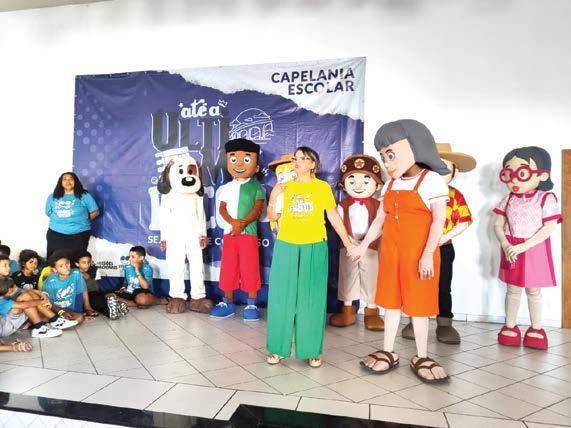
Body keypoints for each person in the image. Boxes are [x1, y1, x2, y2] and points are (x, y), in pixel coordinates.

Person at [349, 119, 450, 383]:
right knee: (391, 302)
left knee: (418, 305)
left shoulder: (432, 181)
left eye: (391, 154)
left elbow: (439, 221)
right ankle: (388, 350)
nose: (387, 162)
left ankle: (422, 355)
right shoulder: (391, 185)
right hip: (391, 254)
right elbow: (379, 221)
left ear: (416, 146)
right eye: (383, 156)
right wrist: (362, 246)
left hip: (419, 255)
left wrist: (427, 254)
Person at [266, 146, 352, 368]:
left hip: (314, 245)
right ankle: (277, 349)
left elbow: (333, 216)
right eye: (295, 158)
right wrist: (275, 195)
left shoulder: (321, 187)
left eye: (304, 158)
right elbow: (273, 216)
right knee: (281, 298)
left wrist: (348, 242)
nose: (297, 161)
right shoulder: (285, 186)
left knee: (312, 299)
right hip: (286, 245)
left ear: (313, 164)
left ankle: (312, 350)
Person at [401, 143, 476, 344]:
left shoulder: (455, 195)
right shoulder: (415, 192)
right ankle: (415, 319)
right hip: (416, 247)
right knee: (416, 283)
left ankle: (444, 323)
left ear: (455, 171)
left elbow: (464, 220)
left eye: (443, 167)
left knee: (443, 285)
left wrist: (441, 238)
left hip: (443, 248)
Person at [493, 146, 562, 350]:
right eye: (508, 174)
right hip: (510, 249)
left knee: (533, 290)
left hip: (535, 249)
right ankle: (510, 326)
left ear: (542, 175)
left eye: (521, 174)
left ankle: (536, 329)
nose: (513, 180)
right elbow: (497, 225)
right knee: (512, 289)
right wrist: (505, 243)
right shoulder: (508, 199)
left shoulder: (546, 199)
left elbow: (549, 227)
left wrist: (523, 246)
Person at [210, 139, 265, 321]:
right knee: (228, 268)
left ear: (257, 167)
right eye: (234, 160)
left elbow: (257, 209)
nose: (239, 164)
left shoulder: (256, 187)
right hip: (230, 234)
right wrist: (233, 223)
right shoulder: (227, 187)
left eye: (246, 160)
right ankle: (227, 302)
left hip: (248, 234)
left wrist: (242, 224)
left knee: (250, 268)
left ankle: (251, 304)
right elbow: (222, 209)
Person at [329, 155, 385, 331]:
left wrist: (366, 243)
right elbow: (337, 224)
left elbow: (381, 226)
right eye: (352, 181)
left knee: (372, 276)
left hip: (371, 244)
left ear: (377, 185)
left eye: (366, 181)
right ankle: (347, 309)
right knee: (347, 275)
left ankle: (371, 310)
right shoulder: (342, 205)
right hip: (349, 243)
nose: (358, 186)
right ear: (343, 184)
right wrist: (349, 243)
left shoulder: (379, 205)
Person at [0, 267, 77, 339]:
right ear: (9, 290)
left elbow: (28, 291)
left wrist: (42, 294)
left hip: (14, 321)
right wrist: (43, 301)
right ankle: (39, 327)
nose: (16, 288)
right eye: (13, 287)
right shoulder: (1, 301)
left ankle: (54, 320)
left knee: (27, 295)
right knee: (25, 299)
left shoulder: (7, 291)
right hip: (6, 327)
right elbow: (23, 305)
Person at [45, 172, 100, 260]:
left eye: (71, 179)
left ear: (75, 181)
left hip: (79, 234)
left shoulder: (84, 195)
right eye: (64, 179)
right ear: (60, 182)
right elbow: (48, 212)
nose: (68, 181)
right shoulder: (52, 197)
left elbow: (95, 212)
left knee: (76, 260)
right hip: (56, 234)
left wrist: (84, 220)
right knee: (55, 260)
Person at [42, 250, 97, 324]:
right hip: (55, 310)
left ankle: (61, 321)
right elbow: (48, 303)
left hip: (70, 309)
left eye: (67, 263)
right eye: (61, 266)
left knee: (80, 318)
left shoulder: (76, 273)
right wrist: (62, 312)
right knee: (43, 318)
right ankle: (57, 321)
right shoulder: (50, 282)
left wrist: (86, 308)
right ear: (55, 269)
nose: (66, 267)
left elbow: (81, 291)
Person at [75, 251, 128, 320]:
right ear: (77, 264)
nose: (87, 265)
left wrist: (101, 294)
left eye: (88, 262)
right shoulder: (74, 273)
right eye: (84, 262)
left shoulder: (94, 269)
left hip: (95, 293)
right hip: (84, 296)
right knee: (98, 302)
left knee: (105, 297)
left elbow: (95, 284)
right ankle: (113, 310)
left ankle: (115, 309)